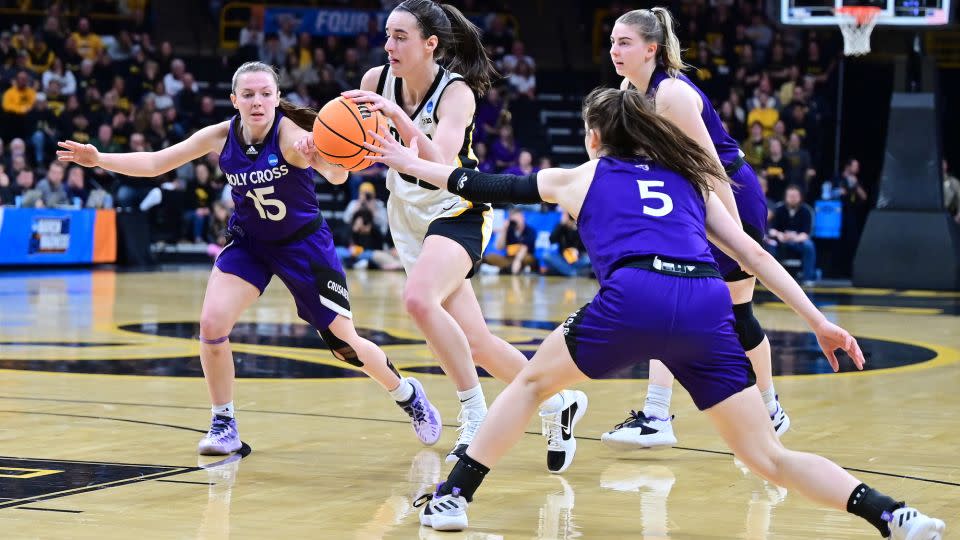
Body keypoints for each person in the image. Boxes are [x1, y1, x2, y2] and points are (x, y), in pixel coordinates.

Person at [365, 87, 946, 540]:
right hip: (705, 301)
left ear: (594, 136)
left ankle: (454, 497)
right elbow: (753, 254)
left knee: (534, 383)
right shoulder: (691, 178)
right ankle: (890, 514)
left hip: (635, 295)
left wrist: (404, 160)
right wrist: (818, 319)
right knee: (767, 456)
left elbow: (479, 182)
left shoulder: (583, 175)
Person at [56, 61, 442, 455]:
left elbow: (340, 177)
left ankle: (407, 393)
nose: (257, 102)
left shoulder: (291, 134)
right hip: (250, 242)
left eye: (265, 94)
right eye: (248, 94)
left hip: (303, 245)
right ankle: (224, 423)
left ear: (277, 98)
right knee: (211, 324)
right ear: (234, 100)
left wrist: (319, 156)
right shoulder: (220, 135)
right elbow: (157, 162)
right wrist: (99, 158)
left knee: (345, 345)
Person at [342, 0, 585, 472]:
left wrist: (398, 116)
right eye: (387, 35)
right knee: (475, 342)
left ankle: (473, 412)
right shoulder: (374, 80)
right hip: (406, 215)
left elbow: (443, 166)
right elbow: (349, 154)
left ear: (430, 44)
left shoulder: (457, 93)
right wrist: (323, 150)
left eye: (400, 37)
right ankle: (560, 404)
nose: (389, 45)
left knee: (417, 300)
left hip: (458, 206)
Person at [603, 8, 788, 450]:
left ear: (652, 49)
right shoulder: (631, 89)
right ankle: (658, 414)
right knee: (672, 298)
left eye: (624, 42)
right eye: (612, 41)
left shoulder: (672, 96)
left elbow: (710, 172)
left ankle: (768, 409)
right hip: (689, 197)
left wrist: (736, 239)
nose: (614, 50)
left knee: (729, 310)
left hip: (728, 196)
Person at [767, 185, 817, 286]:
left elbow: (806, 233)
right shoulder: (779, 208)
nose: (793, 199)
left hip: (798, 241)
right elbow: (771, 229)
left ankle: (808, 278)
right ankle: (770, 278)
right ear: (786, 197)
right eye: (790, 196)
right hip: (781, 240)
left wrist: (794, 238)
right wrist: (779, 235)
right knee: (770, 245)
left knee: (809, 246)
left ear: (800, 197)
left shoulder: (806, 211)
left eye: (795, 196)